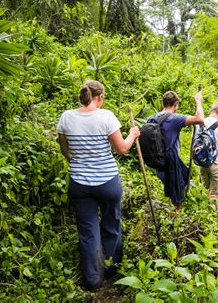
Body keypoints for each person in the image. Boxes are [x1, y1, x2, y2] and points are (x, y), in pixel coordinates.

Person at [57, 80, 140, 291]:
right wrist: (133, 134)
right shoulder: (106, 116)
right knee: (112, 223)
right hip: (107, 182)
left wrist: (78, 162)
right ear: (100, 97)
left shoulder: (66, 117)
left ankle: (93, 280)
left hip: (79, 183)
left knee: (88, 231)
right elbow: (122, 148)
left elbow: (65, 150)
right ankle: (112, 268)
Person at [150, 90, 204, 207]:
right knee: (177, 188)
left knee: (182, 178)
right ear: (175, 105)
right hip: (170, 160)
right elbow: (200, 119)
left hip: (157, 160)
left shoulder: (152, 118)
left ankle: (172, 207)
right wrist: (198, 101)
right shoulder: (173, 118)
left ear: (163, 103)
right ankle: (177, 214)